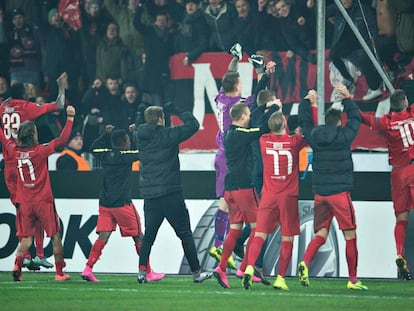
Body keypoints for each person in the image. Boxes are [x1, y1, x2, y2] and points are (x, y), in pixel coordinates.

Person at [298, 86, 368, 290]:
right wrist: (347, 98)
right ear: (339, 122)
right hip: (339, 194)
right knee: (350, 235)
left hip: (320, 193)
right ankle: (353, 280)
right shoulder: (344, 136)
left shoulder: (314, 135)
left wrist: (307, 101)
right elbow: (356, 118)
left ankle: (305, 262)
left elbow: (304, 121)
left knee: (321, 233)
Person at [134, 105, 211, 283]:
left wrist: (140, 120)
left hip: (150, 195)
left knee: (149, 236)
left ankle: (141, 272)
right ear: (161, 119)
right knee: (185, 234)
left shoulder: (139, 136)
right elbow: (193, 125)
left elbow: (139, 128)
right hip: (170, 193)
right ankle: (196, 273)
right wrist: (177, 109)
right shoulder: (168, 135)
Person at [0, 105, 76, 282]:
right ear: (33, 135)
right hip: (43, 200)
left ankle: (17, 267)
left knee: (26, 239)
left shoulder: (13, 151)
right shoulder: (40, 151)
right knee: (55, 235)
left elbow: (4, 138)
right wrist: (70, 118)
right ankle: (59, 273)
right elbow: (63, 140)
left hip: (25, 202)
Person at [81, 125, 164, 282]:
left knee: (103, 236)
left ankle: (88, 268)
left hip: (105, 204)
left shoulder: (105, 154)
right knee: (139, 237)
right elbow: (143, 151)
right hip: (122, 204)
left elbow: (93, 148)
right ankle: (148, 271)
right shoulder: (127, 156)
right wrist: (134, 134)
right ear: (125, 142)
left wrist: (105, 135)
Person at [213, 102, 278, 289]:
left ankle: (222, 268)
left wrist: (263, 105)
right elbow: (262, 128)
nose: (250, 117)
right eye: (248, 115)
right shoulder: (241, 135)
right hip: (243, 188)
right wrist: (273, 109)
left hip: (230, 189)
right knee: (259, 228)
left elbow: (253, 121)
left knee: (235, 229)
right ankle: (246, 267)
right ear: (242, 117)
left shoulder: (229, 134)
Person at [243, 110, 307, 290]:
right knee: (287, 238)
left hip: (268, 196)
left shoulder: (263, 140)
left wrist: (269, 109)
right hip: (288, 196)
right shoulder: (294, 142)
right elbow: (311, 132)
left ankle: (249, 267)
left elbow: (260, 126)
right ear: (285, 125)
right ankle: (280, 278)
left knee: (260, 234)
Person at [360, 89, 413, 280]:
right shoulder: (413, 113)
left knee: (401, 218)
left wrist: (348, 101)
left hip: (399, 172)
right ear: (406, 102)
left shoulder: (387, 122)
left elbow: (365, 119)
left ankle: (400, 253)